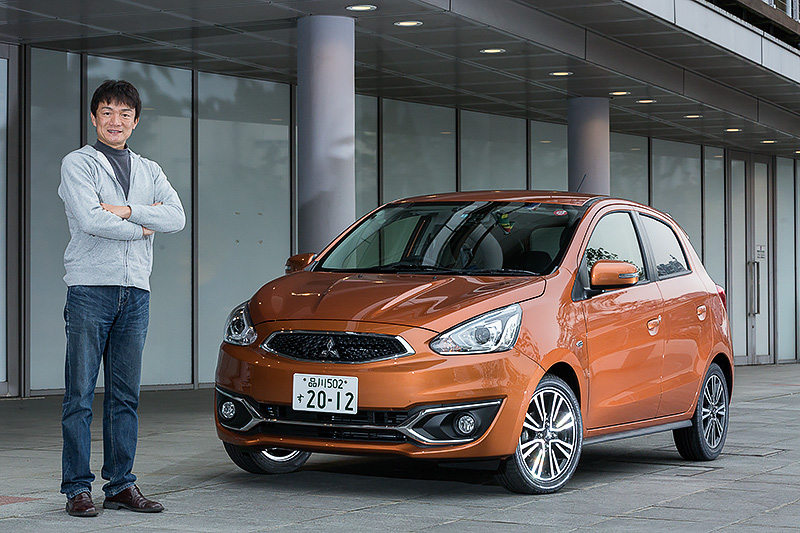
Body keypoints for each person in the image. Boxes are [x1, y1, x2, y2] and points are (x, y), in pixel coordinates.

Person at [58, 80, 185, 517]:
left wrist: (129, 211)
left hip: (136, 293)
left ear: (136, 121)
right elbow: (91, 219)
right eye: (107, 112)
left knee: (125, 396)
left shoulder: (150, 169)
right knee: (79, 394)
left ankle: (120, 486)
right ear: (94, 117)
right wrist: (145, 227)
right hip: (90, 289)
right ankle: (77, 488)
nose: (116, 121)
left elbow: (176, 216)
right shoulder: (78, 163)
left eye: (125, 114)